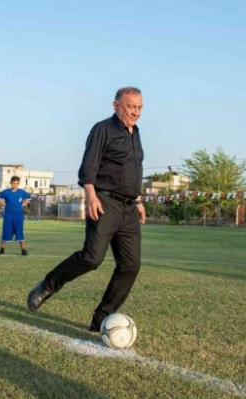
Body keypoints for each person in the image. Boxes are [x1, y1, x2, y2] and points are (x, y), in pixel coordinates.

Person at [26, 87, 146, 332]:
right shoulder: (103, 129)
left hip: (130, 208)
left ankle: (102, 318)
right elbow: (89, 165)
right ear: (116, 105)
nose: (136, 112)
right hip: (105, 203)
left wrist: (140, 200)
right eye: (131, 107)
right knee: (92, 258)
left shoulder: (136, 133)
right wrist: (90, 195)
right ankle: (48, 285)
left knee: (131, 265)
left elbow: (132, 171)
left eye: (139, 108)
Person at [0, 176, 32, 256]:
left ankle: (23, 250)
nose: (15, 185)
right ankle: (2, 250)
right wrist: (2, 203)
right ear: (11, 183)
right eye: (13, 183)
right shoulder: (6, 192)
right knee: (6, 232)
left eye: (16, 183)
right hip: (8, 215)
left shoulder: (21, 192)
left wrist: (24, 203)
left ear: (18, 184)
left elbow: (29, 197)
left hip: (18, 216)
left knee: (20, 232)